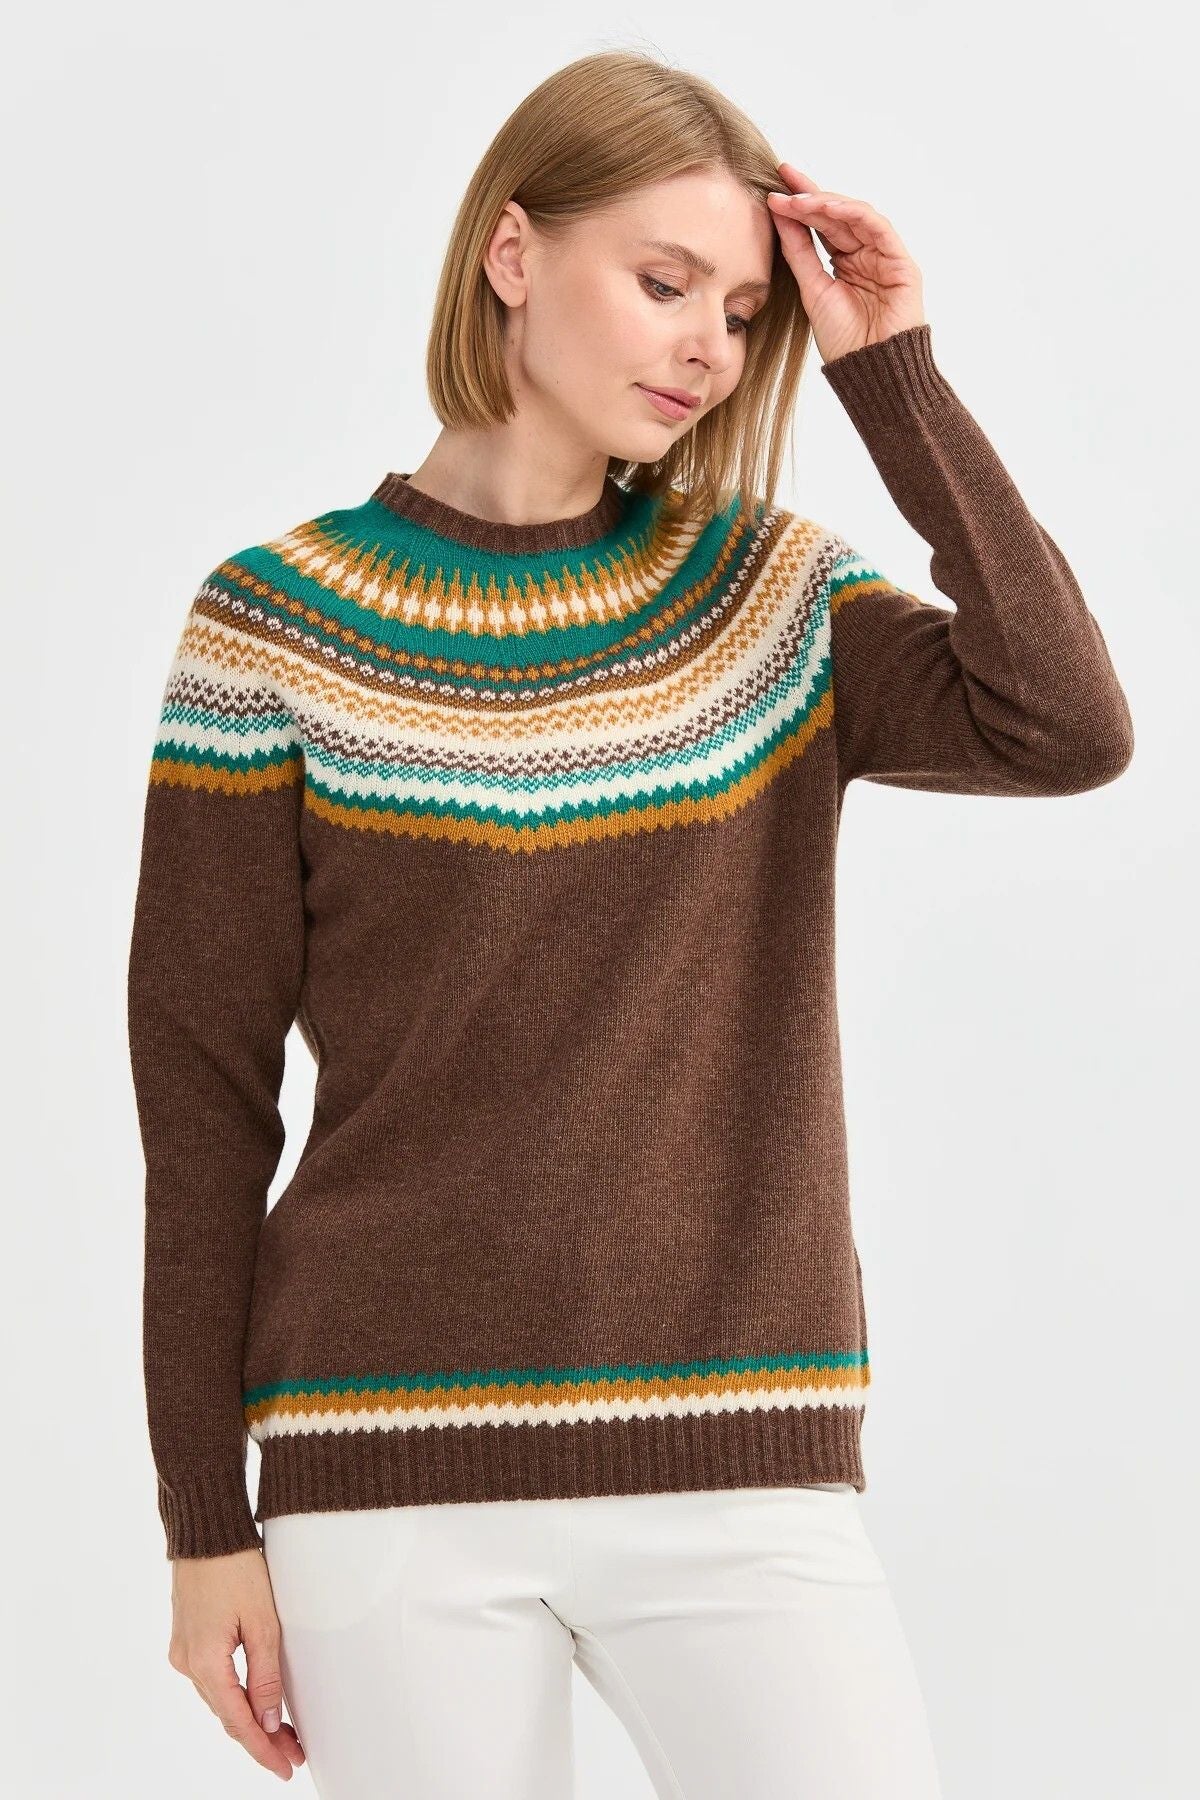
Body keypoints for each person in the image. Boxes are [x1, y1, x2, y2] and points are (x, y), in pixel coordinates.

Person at [125, 48, 1134, 1800]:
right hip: (387, 1468)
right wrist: (203, 1520)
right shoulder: (272, 625)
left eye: (741, 314)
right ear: (512, 252)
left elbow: (1064, 724)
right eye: (664, 283)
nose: (708, 349)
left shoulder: (768, 597)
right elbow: (202, 1095)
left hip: (740, 1457)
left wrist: (892, 371)